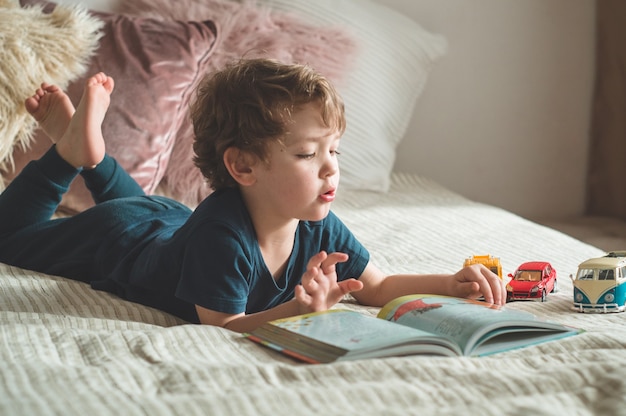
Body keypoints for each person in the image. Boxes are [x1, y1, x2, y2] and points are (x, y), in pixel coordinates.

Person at [0, 60, 505, 333]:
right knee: (12, 238)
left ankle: (91, 154)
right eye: (308, 155)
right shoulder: (223, 237)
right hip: (116, 237)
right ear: (243, 166)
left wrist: (450, 281)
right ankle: (70, 156)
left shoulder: (316, 219)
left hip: (167, 220)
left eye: (335, 151)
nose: (331, 168)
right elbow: (227, 324)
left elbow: (378, 285)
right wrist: (298, 310)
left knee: (141, 207)